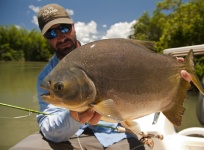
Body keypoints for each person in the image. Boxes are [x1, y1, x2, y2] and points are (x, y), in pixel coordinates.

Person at [10, 3, 192, 150]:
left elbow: (139, 84)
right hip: (67, 139)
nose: (60, 36)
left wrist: (175, 81)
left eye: (64, 28)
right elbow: (49, 128)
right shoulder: (47, 78)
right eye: (51, 32)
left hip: (115, 134)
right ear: (46, 38)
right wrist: (74, 116)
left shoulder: (105, 54)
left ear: (73, 27)